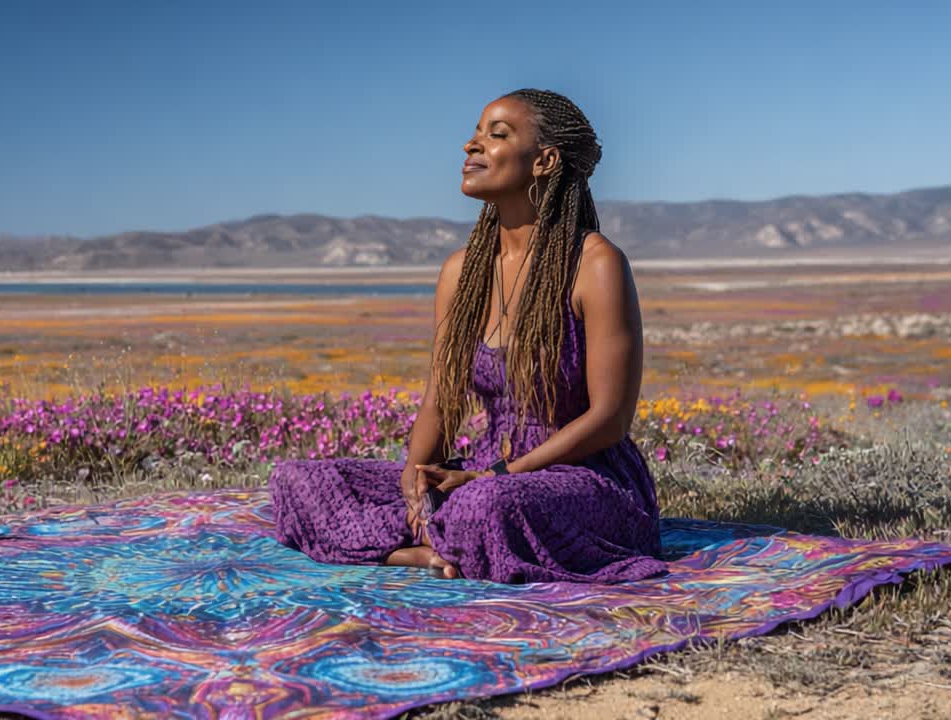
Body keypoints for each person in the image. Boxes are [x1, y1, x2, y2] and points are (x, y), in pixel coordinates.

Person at [267, 88, 667, 584]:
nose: (470, 147)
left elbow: (610, 419)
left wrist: (495, 477)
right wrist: (416, 485)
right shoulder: (462, 271)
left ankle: (427, 540)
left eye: (496, 135)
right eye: (476, 133)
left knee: (483, 506)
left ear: (544, 161)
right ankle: (418, 549)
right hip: (482, 471)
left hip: (583, 479)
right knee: (301, 481)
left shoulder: (595, 264)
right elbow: (440, 397)